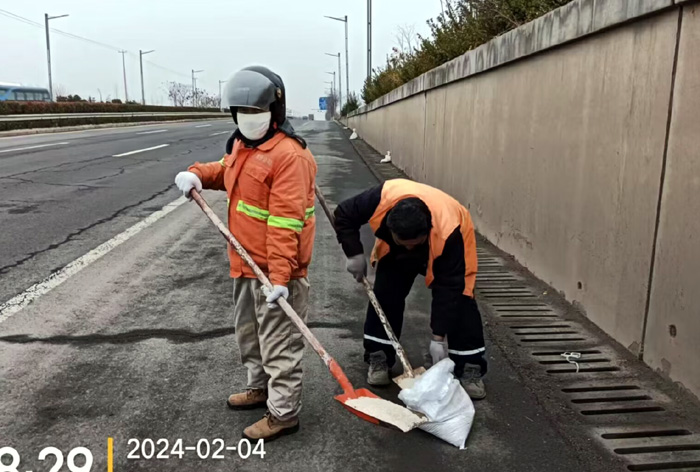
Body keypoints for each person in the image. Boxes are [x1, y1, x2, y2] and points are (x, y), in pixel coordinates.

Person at [174, 66, 317, 440]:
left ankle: (284, 413)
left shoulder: (290, 157)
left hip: (277, 274)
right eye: (242, 113)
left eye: (256, 112)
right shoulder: (243, 146)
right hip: (245, 265)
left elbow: (286, 224)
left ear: (275, 112)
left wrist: (282, 279)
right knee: (250, 336)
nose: (248, 119)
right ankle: (260, 389)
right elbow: (224, 172)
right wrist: (197, 175)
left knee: (279, 345)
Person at [333, 179, 487, 399]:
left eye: (414, 243)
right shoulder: (380, 197)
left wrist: (438, 338)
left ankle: (469, 366)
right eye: (405, 242)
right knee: (386, 295)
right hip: (394, 252)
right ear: (391, 227)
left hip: (447, 244)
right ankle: (379, 356)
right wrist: (354, 253)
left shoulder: (450, 230)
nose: (410, 247)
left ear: (427, 230)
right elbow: (344, 214)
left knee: (461, 298)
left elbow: (449, 288)